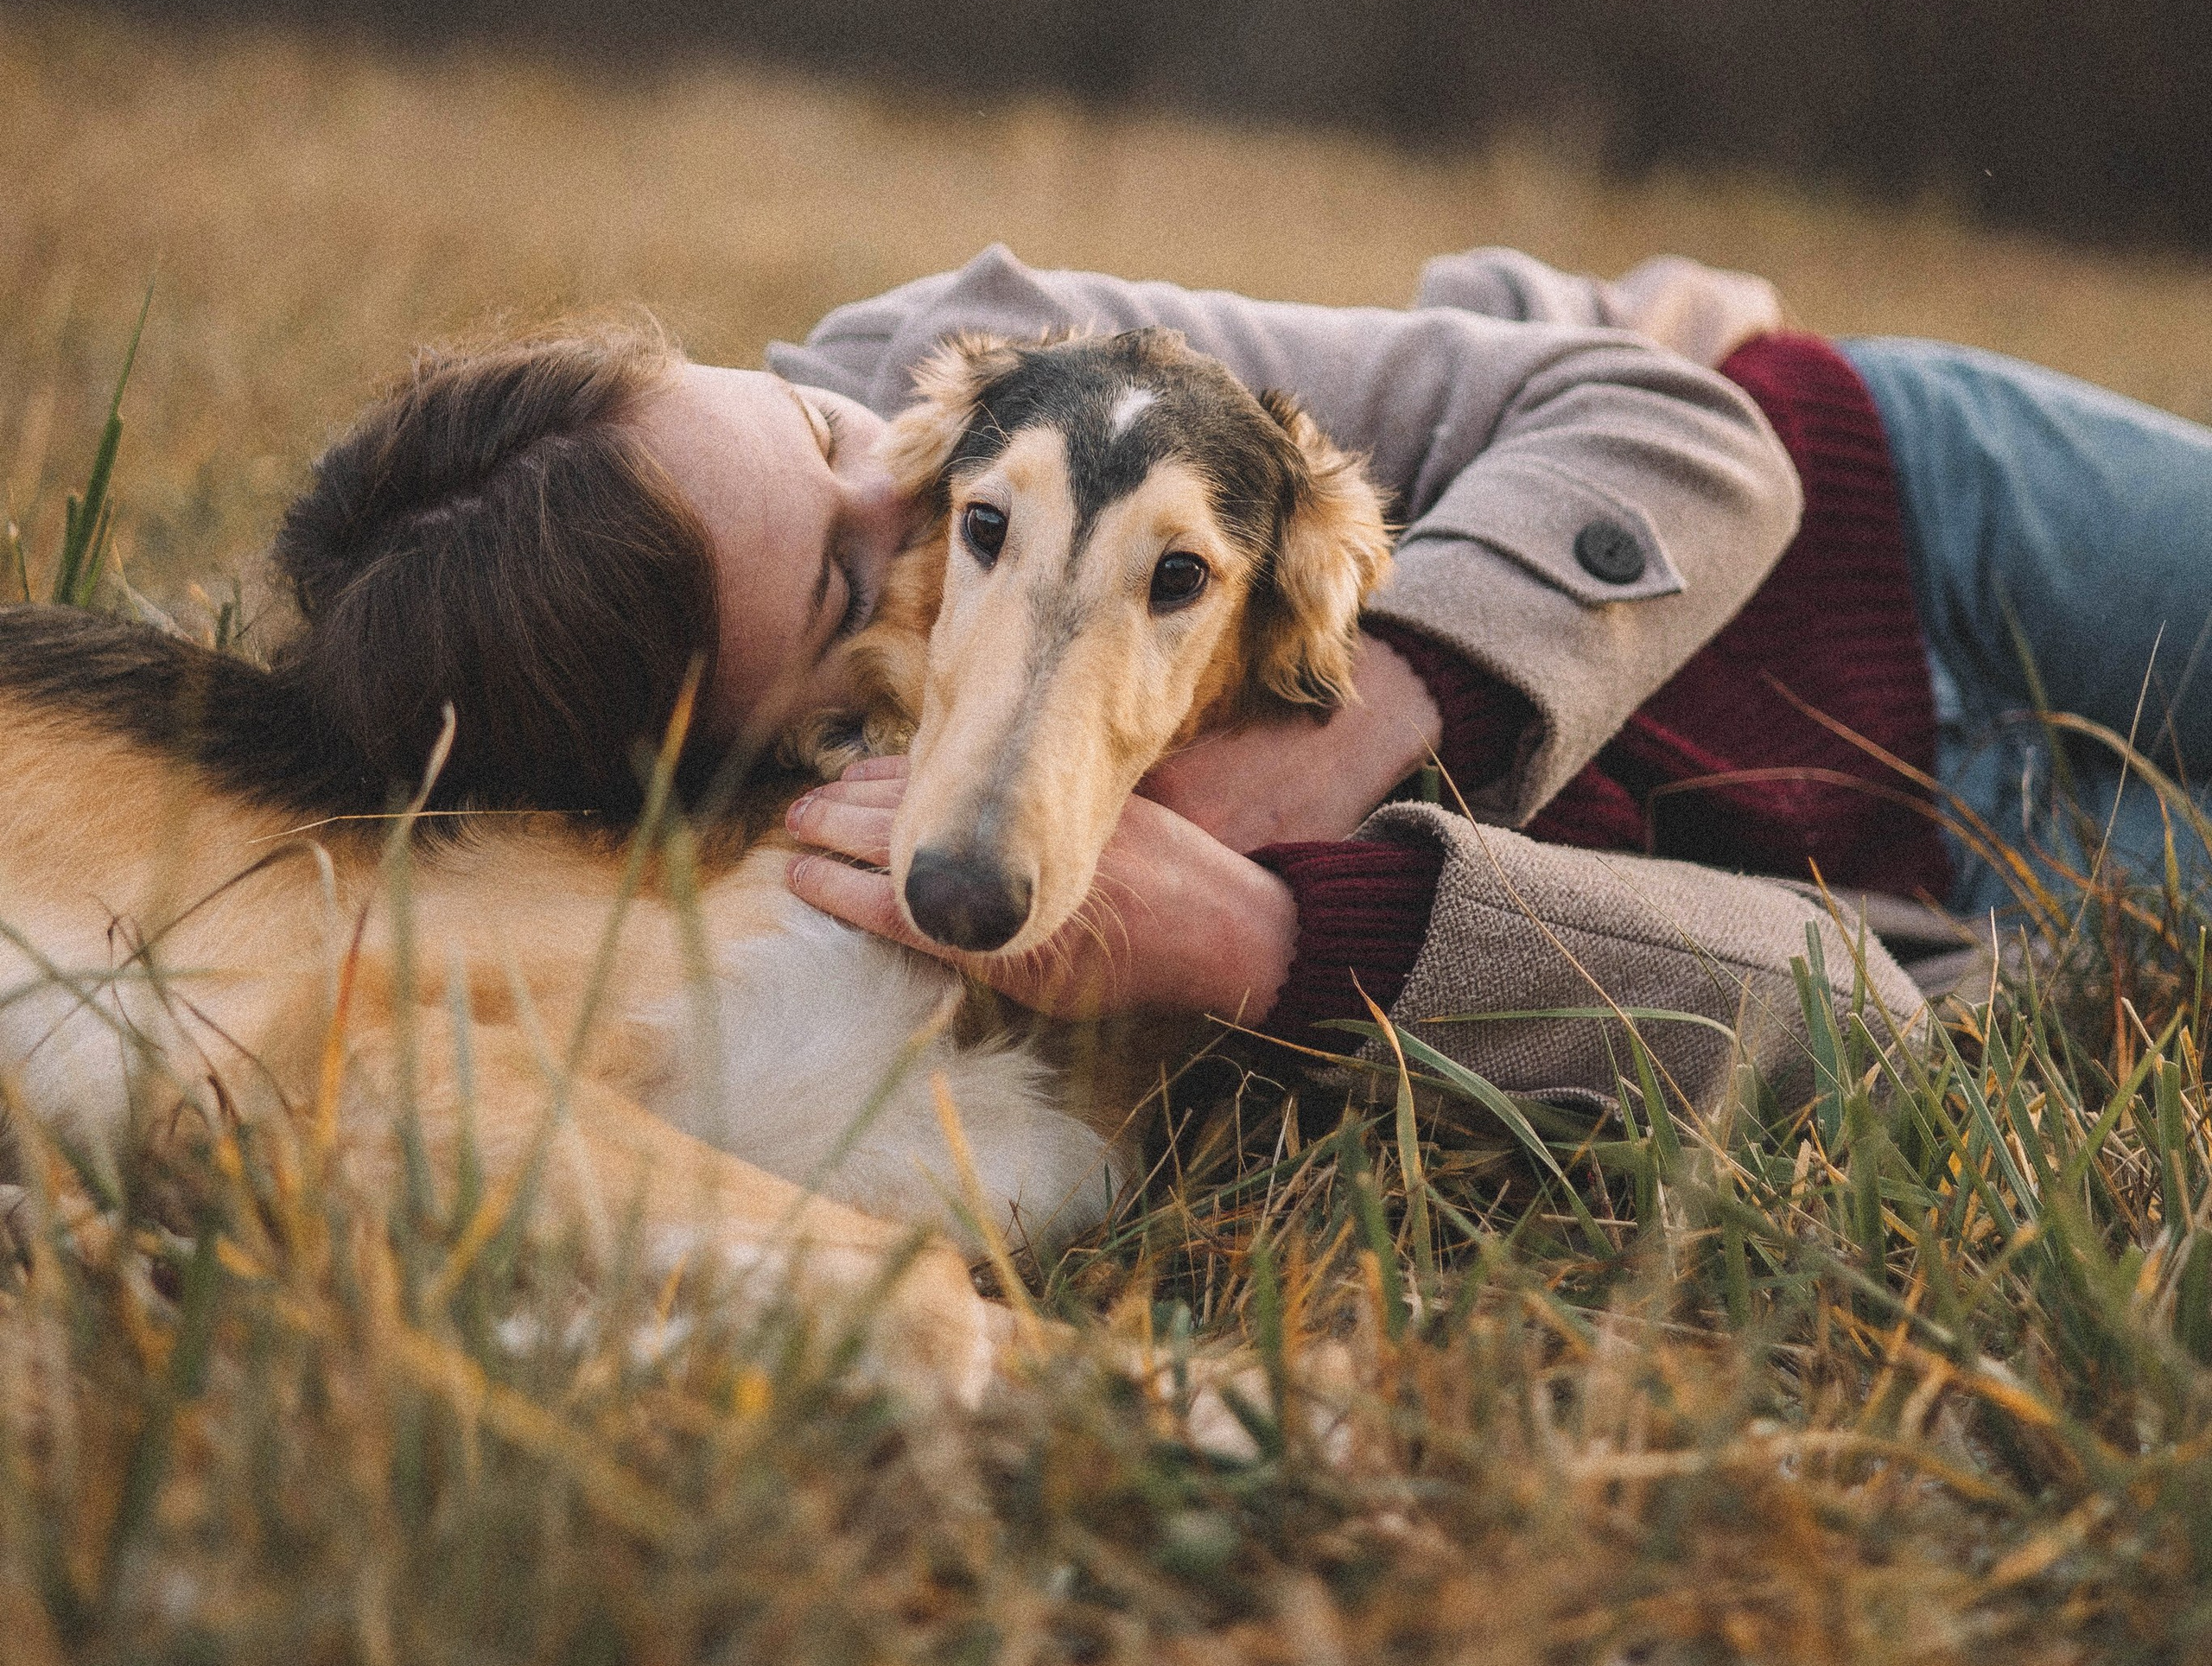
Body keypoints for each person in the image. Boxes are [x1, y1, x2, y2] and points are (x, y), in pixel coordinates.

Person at [271, 245, 2212, 1116]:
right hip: (1937, 880)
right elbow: (1844, 1021)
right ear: (781, 759)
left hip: (1897, 509)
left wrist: (1355, 731)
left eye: (800, 419)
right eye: (861, 577)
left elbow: (1686, 432)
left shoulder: (960, 357)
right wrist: (1287, 942)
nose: (906, 476)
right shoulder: (982, 879)